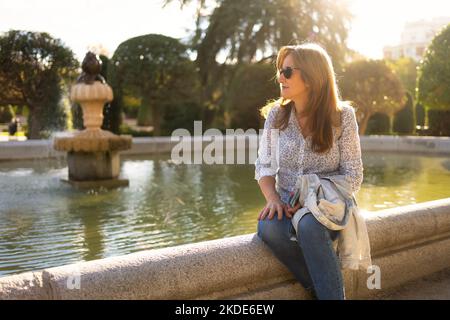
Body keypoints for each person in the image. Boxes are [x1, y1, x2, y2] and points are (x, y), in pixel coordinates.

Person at [255, 43, 363, 300]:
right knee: (268, 227)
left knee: (308, 226)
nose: (281, 77)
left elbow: (354, 175)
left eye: (288, 71)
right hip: (287, 204)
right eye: (281, 70)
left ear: (313, 77)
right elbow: (264, 165)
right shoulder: (276, 116)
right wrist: (274, 200)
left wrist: (310, 197)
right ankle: (324, 290)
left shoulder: (343, 116)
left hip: (330, 205)